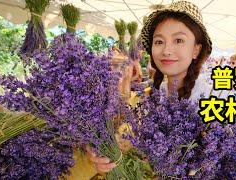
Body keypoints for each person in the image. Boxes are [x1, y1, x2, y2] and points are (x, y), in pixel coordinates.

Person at [87, 0, 214, 173]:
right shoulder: (156, 93)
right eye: (159, 41)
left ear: (196, 50)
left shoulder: (211, 98)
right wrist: (108, 155)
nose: (166, 50)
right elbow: (140, 148)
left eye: (178, 40)